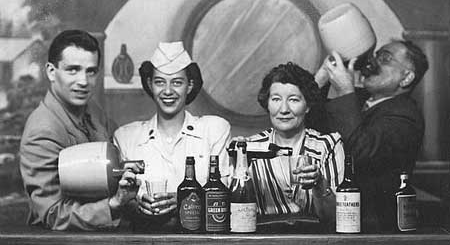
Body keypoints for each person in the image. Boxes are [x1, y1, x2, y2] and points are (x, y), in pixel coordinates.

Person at [19, 30, 142, 231]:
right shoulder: (42, 131)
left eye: (90, 71)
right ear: (51, 71)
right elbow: (53, 214)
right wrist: (114, 204)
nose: (84, 81)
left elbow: (112, 163)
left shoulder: (93, 111)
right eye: (73, 70)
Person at [113, 42, 231, 231]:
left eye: (177, 82)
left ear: (190, 85)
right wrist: (136, 205)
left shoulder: (214, 129)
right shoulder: (126, 136)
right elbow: (119, 198)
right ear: (150, 84)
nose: (168, 91)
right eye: (160, 82)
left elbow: (224, 191)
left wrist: (185, 200)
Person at [319, 40, 428, 232]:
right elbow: (310, 124)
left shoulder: (405, 115)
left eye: (385, 58)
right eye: (376, 55)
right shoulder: (356, 100)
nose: (373, 61)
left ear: (406, 78)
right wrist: (322, 77)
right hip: (336, 217)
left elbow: (360, 151)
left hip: (372, 227)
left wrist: (345, 90)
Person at [234, 62, 344, 229]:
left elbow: (338, 218)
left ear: (307, 106)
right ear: (267, 104)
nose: (284, 109)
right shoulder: (249, 147)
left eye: (293, 100)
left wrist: (319, 184)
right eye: (276, 99)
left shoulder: (328, 145)